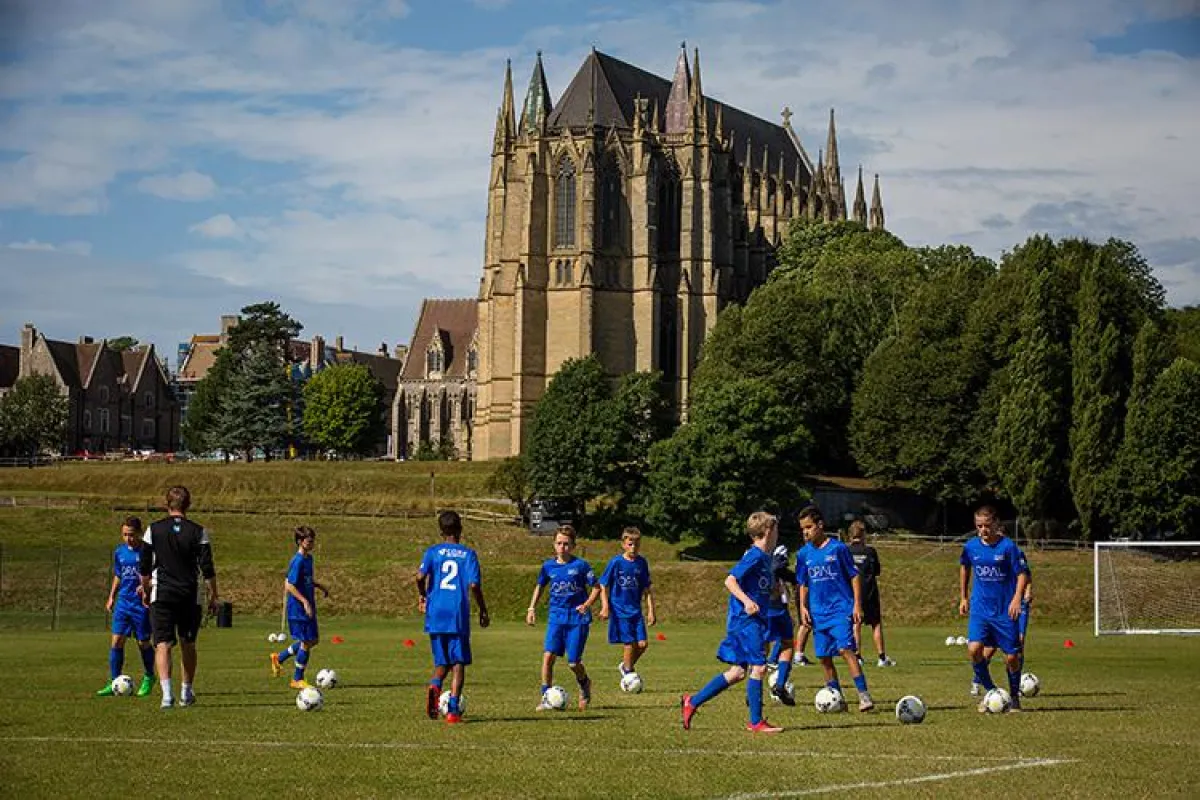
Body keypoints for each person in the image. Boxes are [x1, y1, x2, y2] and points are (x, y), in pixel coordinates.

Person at [681, 512, 783, 734]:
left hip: (750, 621)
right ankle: (755, 722)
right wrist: (747, 601)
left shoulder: (765, 558)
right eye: (775, 530)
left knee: (737, 672)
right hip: (746, 621)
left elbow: (761, 586)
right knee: (759, 667)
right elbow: (730, 580)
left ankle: (692, 702)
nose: (778, 534)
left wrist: (776, 590)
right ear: (767, 532)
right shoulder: (754, 555)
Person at [138, 486, 218, 709]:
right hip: (189, 595)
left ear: (166, 505)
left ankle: (166, 695)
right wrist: (214, 596)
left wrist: (145, 589)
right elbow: (208, 568)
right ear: (188, 505)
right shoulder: (198, 531)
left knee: (162, 644)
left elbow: (144, 566)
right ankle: (186, 692)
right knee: (188, 643)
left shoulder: (153, 530)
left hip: (161, 593)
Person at [796, 506, 875, 712]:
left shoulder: (838, 549)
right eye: (803, 528)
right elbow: (803, 583)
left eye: (809, 527)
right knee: (823, 657)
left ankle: (863, 695)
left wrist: (857, 605)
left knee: (845, 649)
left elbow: (854, 575)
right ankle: (837, 697)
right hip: (817, 612)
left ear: (820, 525)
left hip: (840, 609)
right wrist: (803, 608)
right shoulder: (804, 554)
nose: (805, 532)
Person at [416, 510, 490, 724]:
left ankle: (436, 684)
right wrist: (483, 610)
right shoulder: (468, 554)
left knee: (442, 660)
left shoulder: (432, 552)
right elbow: (474, 584)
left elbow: (420, 576)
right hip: (456, 613)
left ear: (441, 531)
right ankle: (453, 710)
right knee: (458, 663)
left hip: (435, 611)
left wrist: (422, 595)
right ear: (460, 529)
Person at [960, 505, 1030, 712]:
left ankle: (1014, 695)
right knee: (973, 649)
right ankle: (991, 692)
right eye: (979, 526)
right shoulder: (971, 547)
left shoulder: (1008, 547)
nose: (983, 530)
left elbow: (1022, 574)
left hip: (1004, 610)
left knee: (1012, 657)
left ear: (996, 524)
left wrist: (1017, 598)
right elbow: (964, 567)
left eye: (987, 525)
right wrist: (963, 597)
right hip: (980, 609)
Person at [526, 525, 600, 711]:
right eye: (559, 543)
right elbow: (540, 586)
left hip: (577, 619)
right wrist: (531, 608)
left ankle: (584, 683)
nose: (562, 547)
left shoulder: (581, 566)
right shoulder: (548, 566)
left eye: (566, 544)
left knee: (573, 662)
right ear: (554, 545)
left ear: (573, 546)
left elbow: (597, 587)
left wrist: (587, 604)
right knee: (548, 656)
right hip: (556, 617)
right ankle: (545, 696)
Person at [96, 517, 155, 698]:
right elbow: (118, 575)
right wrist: (111, 596)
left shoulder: (147, 552)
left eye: (131, 534)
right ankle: (114, 681)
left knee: (143, 642)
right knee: (116, 641)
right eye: (125, 535)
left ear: (139, 532)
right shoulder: (119, 552)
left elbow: (156, 574)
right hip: (123, 602)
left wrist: (146, 585)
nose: (128, 538)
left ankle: (149, 677)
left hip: (141, 604)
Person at [270, 526, 329, 690]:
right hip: (298, 608)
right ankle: (297, 679)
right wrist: (304, 601)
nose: (312, 544)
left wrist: (319, 586)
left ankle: (278, 658)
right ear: (300, 542)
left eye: (313, 541)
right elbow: (289, 585)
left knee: (312, 640)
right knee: (306, 642)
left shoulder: (309, 559)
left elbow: (306, 580)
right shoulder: (298, 561)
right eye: (309, 541)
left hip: (307, 604)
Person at [598, 527, 656, 678]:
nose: (633, 547)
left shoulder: (642, 563)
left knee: (642, 645)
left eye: (636, 544)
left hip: (636, 610)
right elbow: (603, 584)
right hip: (619, 610)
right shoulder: (616, 562)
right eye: (630, 544)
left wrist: (651, 610)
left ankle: (625, 666)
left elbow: (647, 588)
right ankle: (629, 675)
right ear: (623, 544)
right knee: (629, 643)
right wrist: (605, 606)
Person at [972, 570, 1033, 696]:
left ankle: (1015, 687)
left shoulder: (1016, 554)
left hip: (1019, 604)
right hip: (1000, 605)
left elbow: (1026, 574)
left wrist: (1027, 592)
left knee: (1018, 644)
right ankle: (977, 681)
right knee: (990, 648)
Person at [847, 520, 895, 667]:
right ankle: (881, 657)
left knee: (856, 623)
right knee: (876, 623)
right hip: (870, 591)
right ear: (864, 535)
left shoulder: (846, 551)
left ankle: (857, 656)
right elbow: (877, 571)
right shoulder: (870, 552)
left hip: (853, 592)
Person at [764, 542, 798, 705]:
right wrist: (794, 578)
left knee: (760, 649)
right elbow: (778, 569)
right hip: (776, 606)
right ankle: (780, 685)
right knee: (787, 644)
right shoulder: (778, 550)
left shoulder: (750, 552)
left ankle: (753, 693)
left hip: (759, 607)